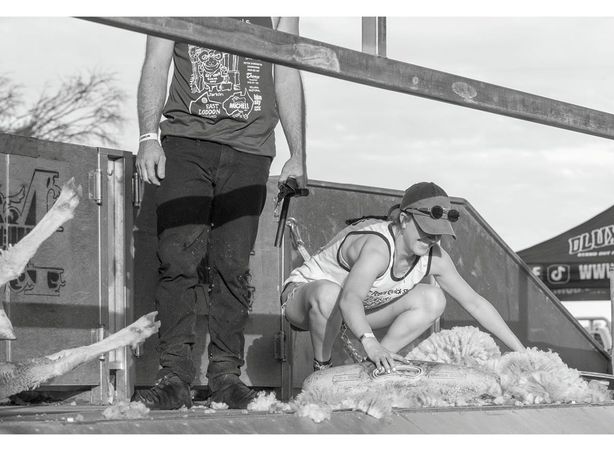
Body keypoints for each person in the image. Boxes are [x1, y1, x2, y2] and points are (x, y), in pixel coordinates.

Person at [132, 17, 307, 410]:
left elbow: (287, 72)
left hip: (251, 150)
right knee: (177, 258)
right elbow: (156, 62)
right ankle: (174, 377)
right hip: (186, 140)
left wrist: (298, 154)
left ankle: (226, 376)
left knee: (232, 266)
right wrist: (147, 137)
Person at [281, 182, 526, 374]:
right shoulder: (378, 248)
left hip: (356, 311)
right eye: (426, 230)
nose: (431, 239)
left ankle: (374, 367)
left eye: (437, 234)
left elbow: (475, 303)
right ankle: (322, 369)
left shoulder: (435, 256)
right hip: (306, 302)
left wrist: (522, 353)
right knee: (329, 295)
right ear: (404, 220)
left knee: (433, 299)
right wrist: (370, 341)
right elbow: (350, 299)